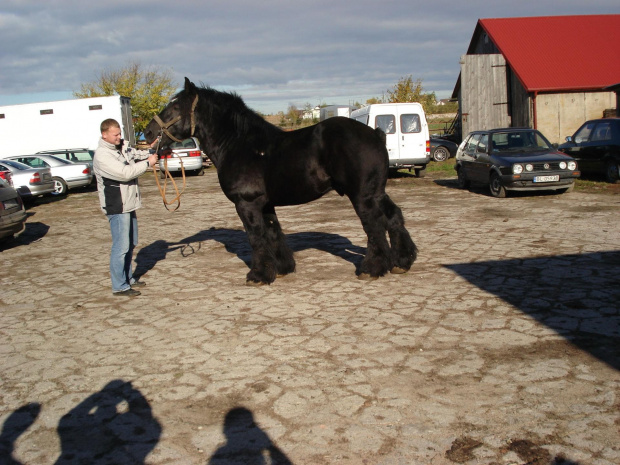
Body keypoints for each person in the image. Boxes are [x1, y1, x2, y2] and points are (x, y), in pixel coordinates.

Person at [93, 119, 158, 297]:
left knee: (131, 243)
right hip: (117, 206)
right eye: (116, 135)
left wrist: (151, 151)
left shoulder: (119, 148)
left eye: (120, 134)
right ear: (104, 135)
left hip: (128, 204)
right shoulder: (103, 156)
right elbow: (124, 173)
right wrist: (148, 163)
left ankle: (128, 278)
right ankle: (119, 285)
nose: (119, 137)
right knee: (121, 246)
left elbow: (135, 154)